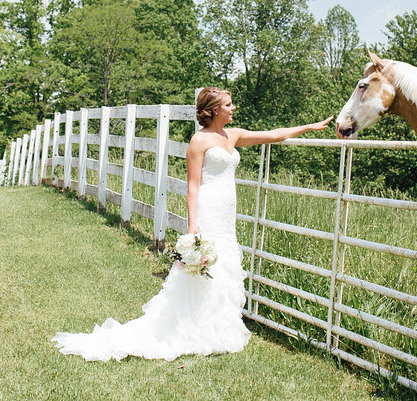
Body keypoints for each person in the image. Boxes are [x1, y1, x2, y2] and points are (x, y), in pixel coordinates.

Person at [52, 88, 333, 361]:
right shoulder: (199, 141)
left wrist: (310, 126)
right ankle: (188, 329)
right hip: (208, 208)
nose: (233, 108)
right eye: (228, 105)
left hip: (228, 211)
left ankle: (216, 329)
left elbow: (273, 135)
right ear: (213, 110)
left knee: (224, 267)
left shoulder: (232, 135)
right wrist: (192, 225)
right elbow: (193, 186)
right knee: (203, 268)